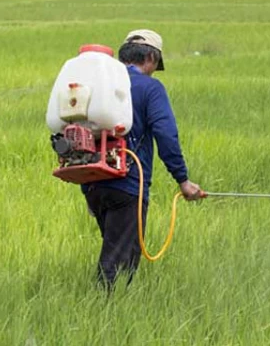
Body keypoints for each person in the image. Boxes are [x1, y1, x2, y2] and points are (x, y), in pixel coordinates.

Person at [83, 29, 201, 289]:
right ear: (150, 57)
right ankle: (103, 311)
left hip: (91, 180)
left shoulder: (99, 84)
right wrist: (182, 180)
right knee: (118, 260)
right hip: (127, 182)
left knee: (120, 248)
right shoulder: (150, 88)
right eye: (156, 65)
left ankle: (113, 305)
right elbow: (166, 135)